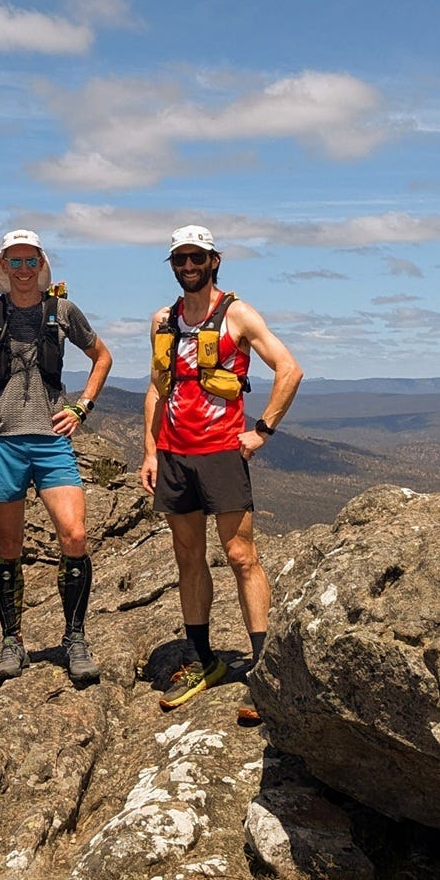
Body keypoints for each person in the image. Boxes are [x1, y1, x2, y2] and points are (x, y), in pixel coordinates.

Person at [140, 225, 303, 711]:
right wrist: (149, 450)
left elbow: (289, 369)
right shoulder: (162, 320)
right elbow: (156, 387)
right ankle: (203, 658)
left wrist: (263, 430)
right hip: (173, 453)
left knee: (239, 555)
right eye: (179, 260)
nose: (188, 267)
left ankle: (264, 667)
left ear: (214, 261)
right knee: (187, 556)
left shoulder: (236, 314)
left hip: (221, 452)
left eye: (197, 258)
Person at [0, 230, 113, 684]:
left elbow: (101, 356)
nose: (22, 271)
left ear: (42, 264)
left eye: (29, 262)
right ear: (2, 266)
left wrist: (82, 407)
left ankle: (74, 638)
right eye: (13, 263)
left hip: (51, 438)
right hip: (2, 440)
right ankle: (11, 641)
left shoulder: (62, 312)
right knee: (8, 548)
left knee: (74, 535)